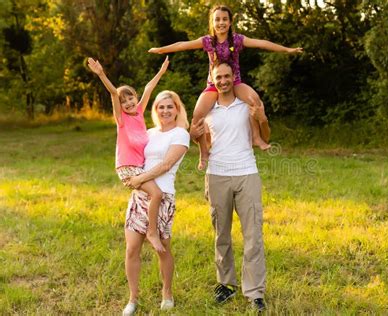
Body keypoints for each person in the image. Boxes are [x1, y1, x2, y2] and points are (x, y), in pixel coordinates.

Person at [149, 4, 301, 170]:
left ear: (230, 22)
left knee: (254, 99)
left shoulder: (237, 40)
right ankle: (204, 152)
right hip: (213, 84)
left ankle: (257, 138)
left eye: (224, 19)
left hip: (234, 82)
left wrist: (287, 50)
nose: (221, 22)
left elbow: (261, 43)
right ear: (212, 22)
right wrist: (161, 50)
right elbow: (182, 44)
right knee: (198, 115)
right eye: (217, 19)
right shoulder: (207, 41)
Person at [190, 61, 270, 312]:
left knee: (253, 235)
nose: (223, 81)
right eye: (218, 78)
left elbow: (264, 138)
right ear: (213, 81)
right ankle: (225, 284)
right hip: (217, 176)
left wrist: (262, 118)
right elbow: (203, 143)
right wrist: (195, 138)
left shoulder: (246, 105)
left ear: (233, 76)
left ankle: (255, 292)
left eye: (227, 76)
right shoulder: (208, 110)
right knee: (221, 234)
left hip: (247, 174)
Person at [87, 57, 170, 253]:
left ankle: (142, 227)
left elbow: (149, 87)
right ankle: (151, 232)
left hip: (140, 167)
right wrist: (101, 74)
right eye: (124, 101)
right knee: (156, 193)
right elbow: (114, 94)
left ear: (136, 97)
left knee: (154, 196)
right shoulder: (121, 119)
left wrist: (161, 72)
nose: (128, 102)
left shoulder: (140, 112)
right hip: (127, 167)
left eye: (131, 97)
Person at [121, 90, 190, 315]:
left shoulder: (180, 134)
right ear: (155, 110)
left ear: (177, 109)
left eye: (170, 107)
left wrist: (139, 178)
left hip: (163, 196)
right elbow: (131, 153)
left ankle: (167, 293)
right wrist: (128, 176)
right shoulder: (148, 133)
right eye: (161, 107)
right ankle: (132, 299)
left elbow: (166, 165)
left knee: (163, 250)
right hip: (140, 196)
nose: (165, 111)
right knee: (132, 249)